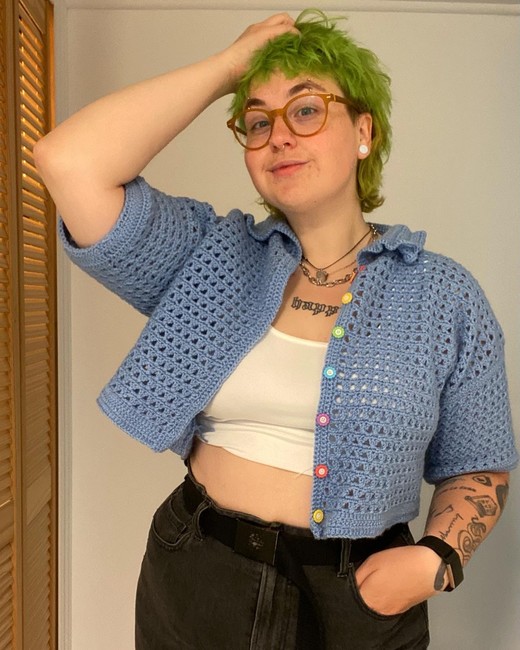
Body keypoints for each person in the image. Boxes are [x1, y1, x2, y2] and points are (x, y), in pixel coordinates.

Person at [35, 10, 517, 650]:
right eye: (258, 122)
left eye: (306, 110)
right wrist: (228, 68)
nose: (279, 137)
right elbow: (67, 161)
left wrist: (437, 561)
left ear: (364, 131)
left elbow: (479, 466)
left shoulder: (443, 295)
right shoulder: (210, 255)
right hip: (198, 574)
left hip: (358, 598)